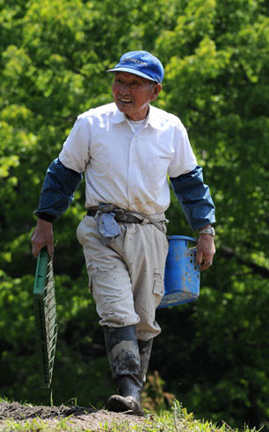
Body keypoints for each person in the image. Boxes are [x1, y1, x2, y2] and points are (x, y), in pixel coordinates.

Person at [31, 50, 216, 416]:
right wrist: (44, 222)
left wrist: (205, 230)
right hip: (101, 229)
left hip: (150, 231)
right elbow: (63, 174)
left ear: (155, 91)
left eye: (134, 83)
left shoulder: (171, 129)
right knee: (116, 309)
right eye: (119, 80)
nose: (123, 89)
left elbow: (190, 184)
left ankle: (133, 400)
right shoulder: (91, 124)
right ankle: (128, 389)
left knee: (145, 317)